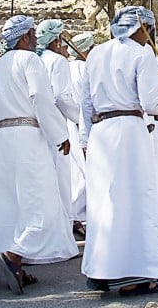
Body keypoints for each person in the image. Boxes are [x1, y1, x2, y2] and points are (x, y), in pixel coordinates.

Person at [80, 6, 158, 297]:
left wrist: (87, 138)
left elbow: (85, 104)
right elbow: (151, 102)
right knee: (135, 200)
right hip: (128, 131)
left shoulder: (97, 54)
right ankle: (136, 275)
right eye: (149, 29)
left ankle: (101, 269)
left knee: (105, 201)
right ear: (141, 28)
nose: (151, 35)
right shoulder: (142, 54)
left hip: (101, 131)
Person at [0, 15, 77, 295]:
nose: (36, 39)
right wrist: (60, 135)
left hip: (3, 140)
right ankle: (14, 255)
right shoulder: (30, 60)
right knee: (41, 201)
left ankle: (18, 264)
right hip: (28, 138)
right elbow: (41, 99)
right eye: (33, 34)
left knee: (12, 205)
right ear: (23, 38)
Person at [35, 19, 81, 234]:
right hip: (55, 125)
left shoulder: (34, 59)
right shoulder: (57, 61)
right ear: (57, 39)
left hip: (33, 128)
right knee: (61, 177)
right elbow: (61, 97)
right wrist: (81, 119)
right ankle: (63, 227)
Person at [66, 31, 95, 236]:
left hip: (69, 122)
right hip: (82, 123)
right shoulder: (86, 68)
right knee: (85, 172)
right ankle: (79, 217)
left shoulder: (66, 66)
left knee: (74, 172)